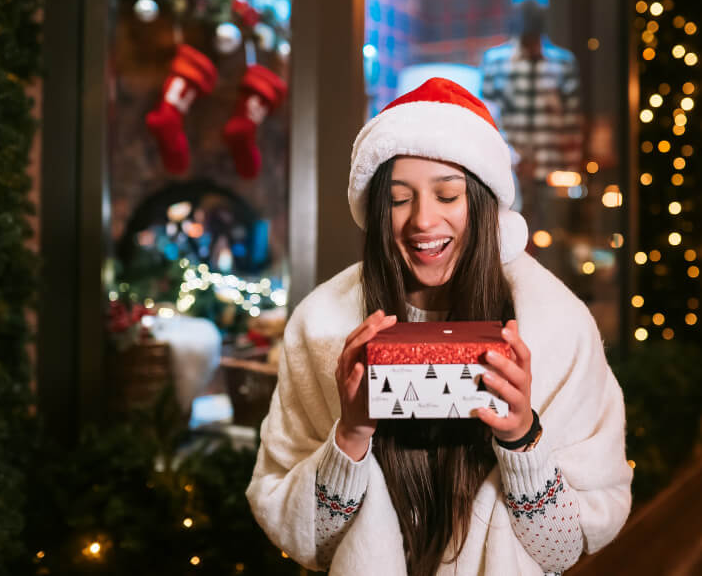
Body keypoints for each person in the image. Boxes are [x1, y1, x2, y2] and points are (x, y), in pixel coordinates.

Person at [246, 78, 632, 576]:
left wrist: (522, 439)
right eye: (400, 198)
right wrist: (351, 436)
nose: (423, 221)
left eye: (448, 195)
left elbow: (562, 550)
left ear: (483, 201)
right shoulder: (322, 328)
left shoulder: (557, 329)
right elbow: (312, 544)